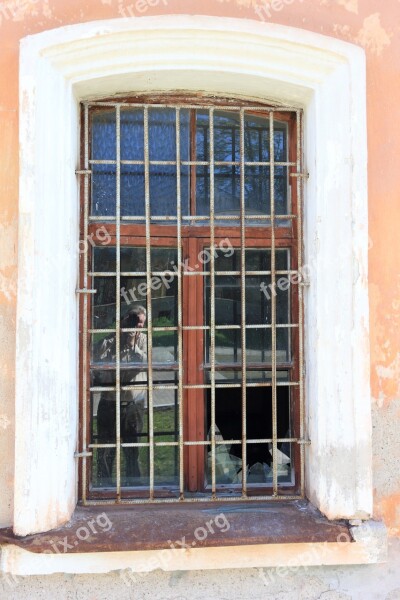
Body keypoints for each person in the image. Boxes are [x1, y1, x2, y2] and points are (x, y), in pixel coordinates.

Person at [95, 305, 147, 485]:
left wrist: (133, 345)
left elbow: (144, 364)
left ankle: (135, 487)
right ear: (124, 319)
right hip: (110, 402)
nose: (137, 327)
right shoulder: (110, 341)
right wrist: (117, 337)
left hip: (133, 405)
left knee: (133, 450)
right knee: (105, 450)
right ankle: (104, 487)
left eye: (140, 324)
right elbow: (96, 364)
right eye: (133, 321)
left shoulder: (143, 341)